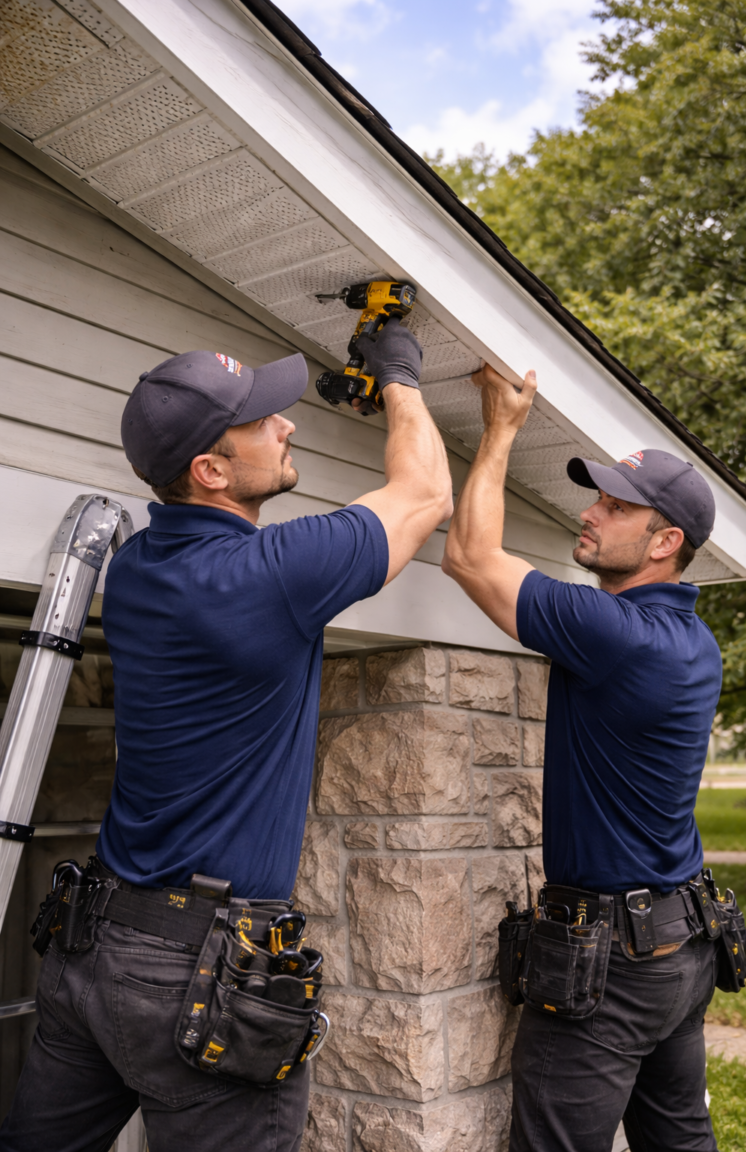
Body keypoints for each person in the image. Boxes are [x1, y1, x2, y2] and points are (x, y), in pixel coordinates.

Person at [0, 321, 453, 1152]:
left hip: (93, 950)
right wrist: (399, 372)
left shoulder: (135, 570)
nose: (287, 424)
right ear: (209, 471)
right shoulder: (270, 574)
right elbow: (424, 495)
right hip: (198, 975)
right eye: (264, 421)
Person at [442, 362, 722, 1152]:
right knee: (682, 1140)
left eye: (616, 505)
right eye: (596, 495)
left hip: (615, 971)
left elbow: (469, 556)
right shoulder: (693, 641)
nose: (591, 513)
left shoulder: (616, 634)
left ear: (666, 541)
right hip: (678, 946)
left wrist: (500, 426)